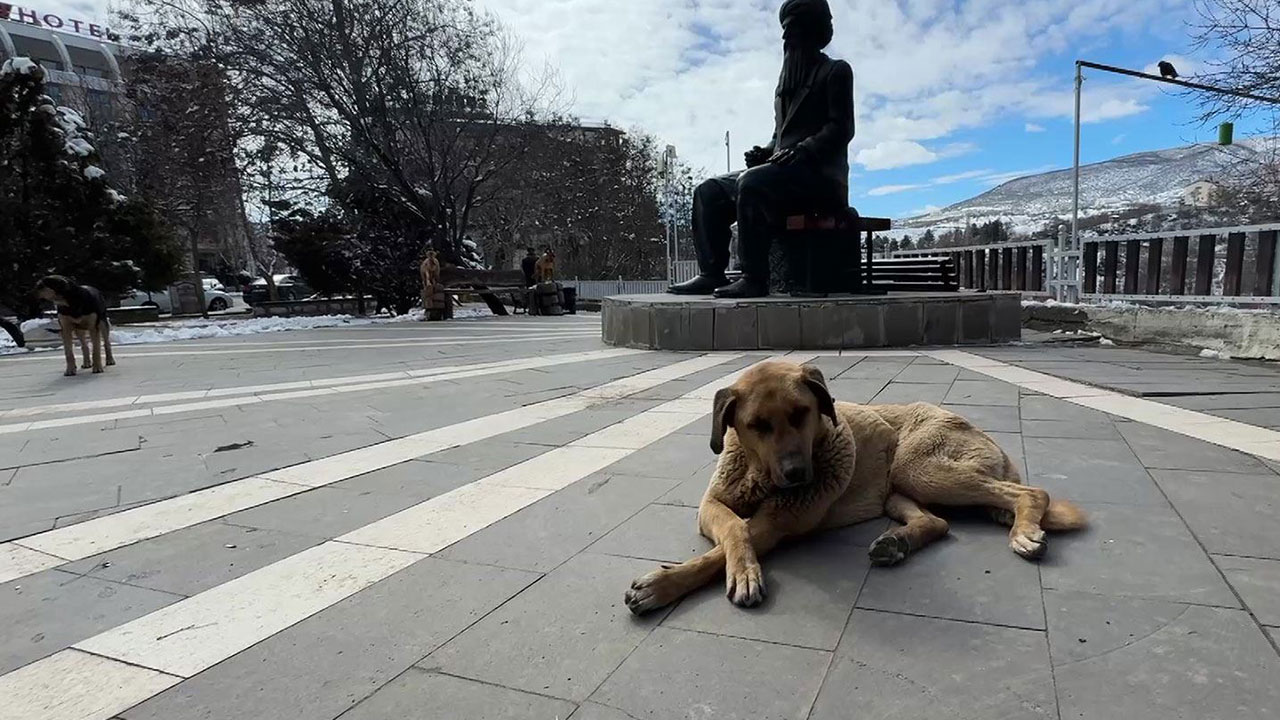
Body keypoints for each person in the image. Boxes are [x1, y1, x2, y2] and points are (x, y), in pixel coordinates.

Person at [668, 0, 854, 298]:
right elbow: (780, 137)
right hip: (785, 174)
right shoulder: (785, 87)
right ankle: (710, 272)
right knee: (708, 191)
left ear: (812, 30)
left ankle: (754, 277)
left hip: (820, 179)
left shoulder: (835, 71)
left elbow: (841, 128)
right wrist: (765, 152)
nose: (785, 39)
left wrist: (803, 151)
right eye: (784, 31)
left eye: (791, 29)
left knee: (751, 182)